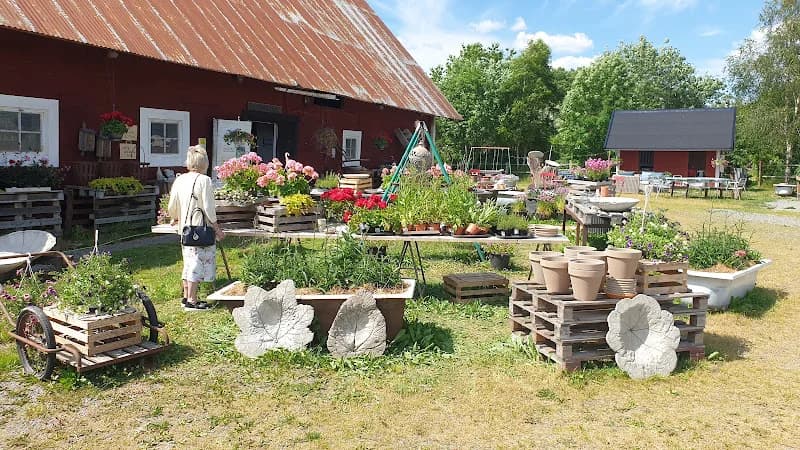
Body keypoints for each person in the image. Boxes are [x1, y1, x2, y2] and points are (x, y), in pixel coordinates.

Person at [168, 146, 224, 310]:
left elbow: (172, 205)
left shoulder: (180, 179)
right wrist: (217, 229)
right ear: (204, 163)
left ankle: (186, 297)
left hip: (185, 228)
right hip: (200, 229)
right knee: (196, 264)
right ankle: (192, 301)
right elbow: (208, 208)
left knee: (188, 262)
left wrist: (176, 217)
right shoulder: (204, 180)